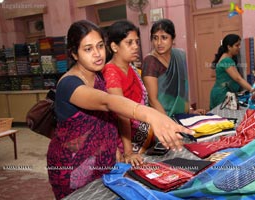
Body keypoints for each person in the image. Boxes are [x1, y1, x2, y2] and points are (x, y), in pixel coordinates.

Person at [46, 20, 193, 200]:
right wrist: (152, 115)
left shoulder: (98, 76)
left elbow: (107, 119)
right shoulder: (69, 84)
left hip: (103, 161)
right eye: (88, 49)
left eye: (100, 46)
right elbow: (108, 102)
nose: (97, 54)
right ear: (74, 54)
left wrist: (117, 149)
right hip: (74, 166)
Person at [102, 20, 149, 166]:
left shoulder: (131, 68)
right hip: (122, 140)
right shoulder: (111, 72)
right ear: (114, 47)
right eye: (129, 43)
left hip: (138, 133)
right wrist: (128, 152)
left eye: (137, 42)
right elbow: (122, 113)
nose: (136, 47)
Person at [141, 18, 206, 117]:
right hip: (159, 118)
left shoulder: (179, 56)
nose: (159, 43)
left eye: (164, 37)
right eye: (155, 38)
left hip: (180, 116)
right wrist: (168, 124)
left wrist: (190, 110)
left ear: (173, 39)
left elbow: (182, 92)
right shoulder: (150, 61)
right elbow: (152, 100)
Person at [209, 34, 253, 110]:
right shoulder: (227, 60)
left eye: (239, 45)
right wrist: (253, 90)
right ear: (229, 47)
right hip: (222, 94)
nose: (239, 47)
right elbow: (238, 79)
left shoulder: (224, 58)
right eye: (237, 45)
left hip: (219, 92)